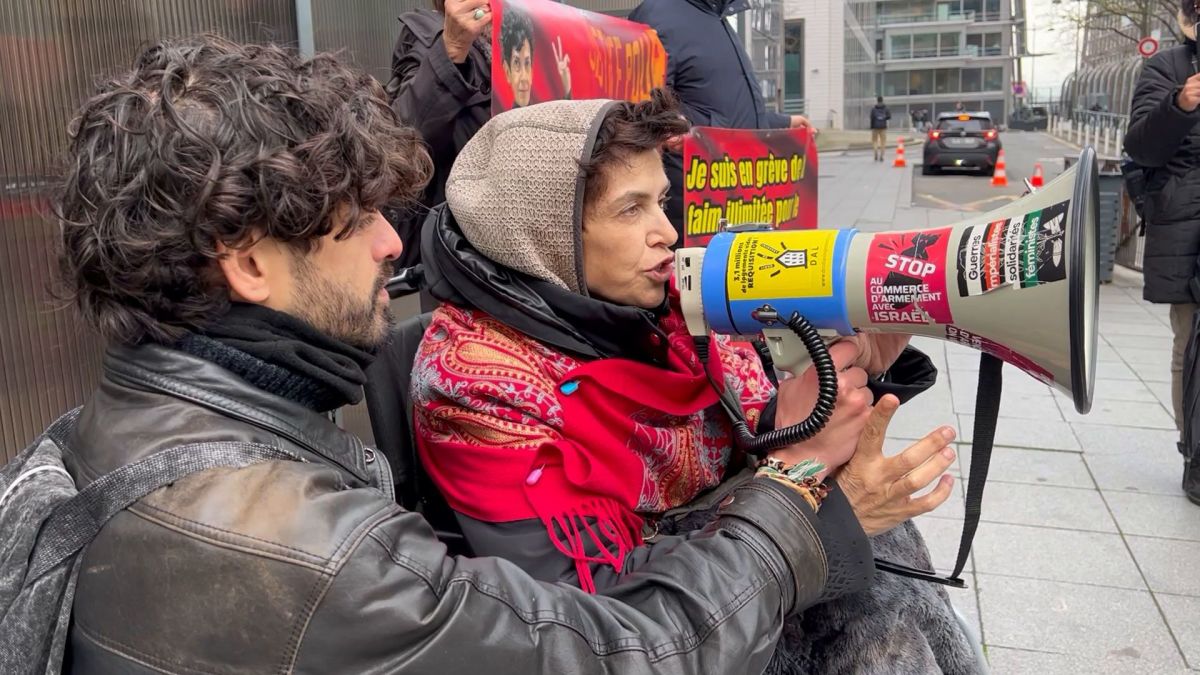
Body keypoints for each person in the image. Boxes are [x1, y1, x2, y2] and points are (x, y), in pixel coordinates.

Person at [51, 35, 906, 673]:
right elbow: (609, 649)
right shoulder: (312, 546)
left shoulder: (123, 431)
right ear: (248, 263)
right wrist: (794, 494)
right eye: (358, 220)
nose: (393, 243)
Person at [413, 91, 979, 672]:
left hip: (730, 575)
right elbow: (585, 619)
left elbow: (754, 431)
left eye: (661, 201)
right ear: (543, 235)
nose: (667, 231)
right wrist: (802, 478)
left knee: (874, 535)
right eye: (630, 210)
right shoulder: (474, 381)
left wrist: (847, 373)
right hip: (658, 636)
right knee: (865, 569)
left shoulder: (660, 308)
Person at [627, 0, 815, 239]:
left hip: (731, 191)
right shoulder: (659, 14)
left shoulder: (715, 17)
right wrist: (674, 127)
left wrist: (783, 122)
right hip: (695, 199)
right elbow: (645, 106)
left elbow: (728, 110)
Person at [1124, 1, 1200, 505]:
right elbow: (1141, 148)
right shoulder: (1169, 67)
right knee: (1191, 343)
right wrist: (1180, 105)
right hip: (1188, 230)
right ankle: (1195, 452)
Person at [385, 0, 492, 270]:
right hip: (460, 256)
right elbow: (400, 142)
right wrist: (452, 50)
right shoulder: (430, 38)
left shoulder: (529, 38)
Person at [499, 4, 571, 110]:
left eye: (527, 63)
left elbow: (563, 118)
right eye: (516, 63)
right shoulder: (502, 117)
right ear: (507, 72)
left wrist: (567, 88)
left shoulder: (541, 111)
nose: (524, 78)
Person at [871, 96, 891, 161]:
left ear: (877, 101)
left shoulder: (874, 109)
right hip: (883, 127)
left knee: (875, 141)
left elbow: (871, 118)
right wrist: (884, 118)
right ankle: (881, 155)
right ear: (882, 100)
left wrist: (872, 127)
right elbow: (889, 117)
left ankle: (875, 152)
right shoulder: (886, 108)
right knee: (883, 142)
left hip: (875, 127)